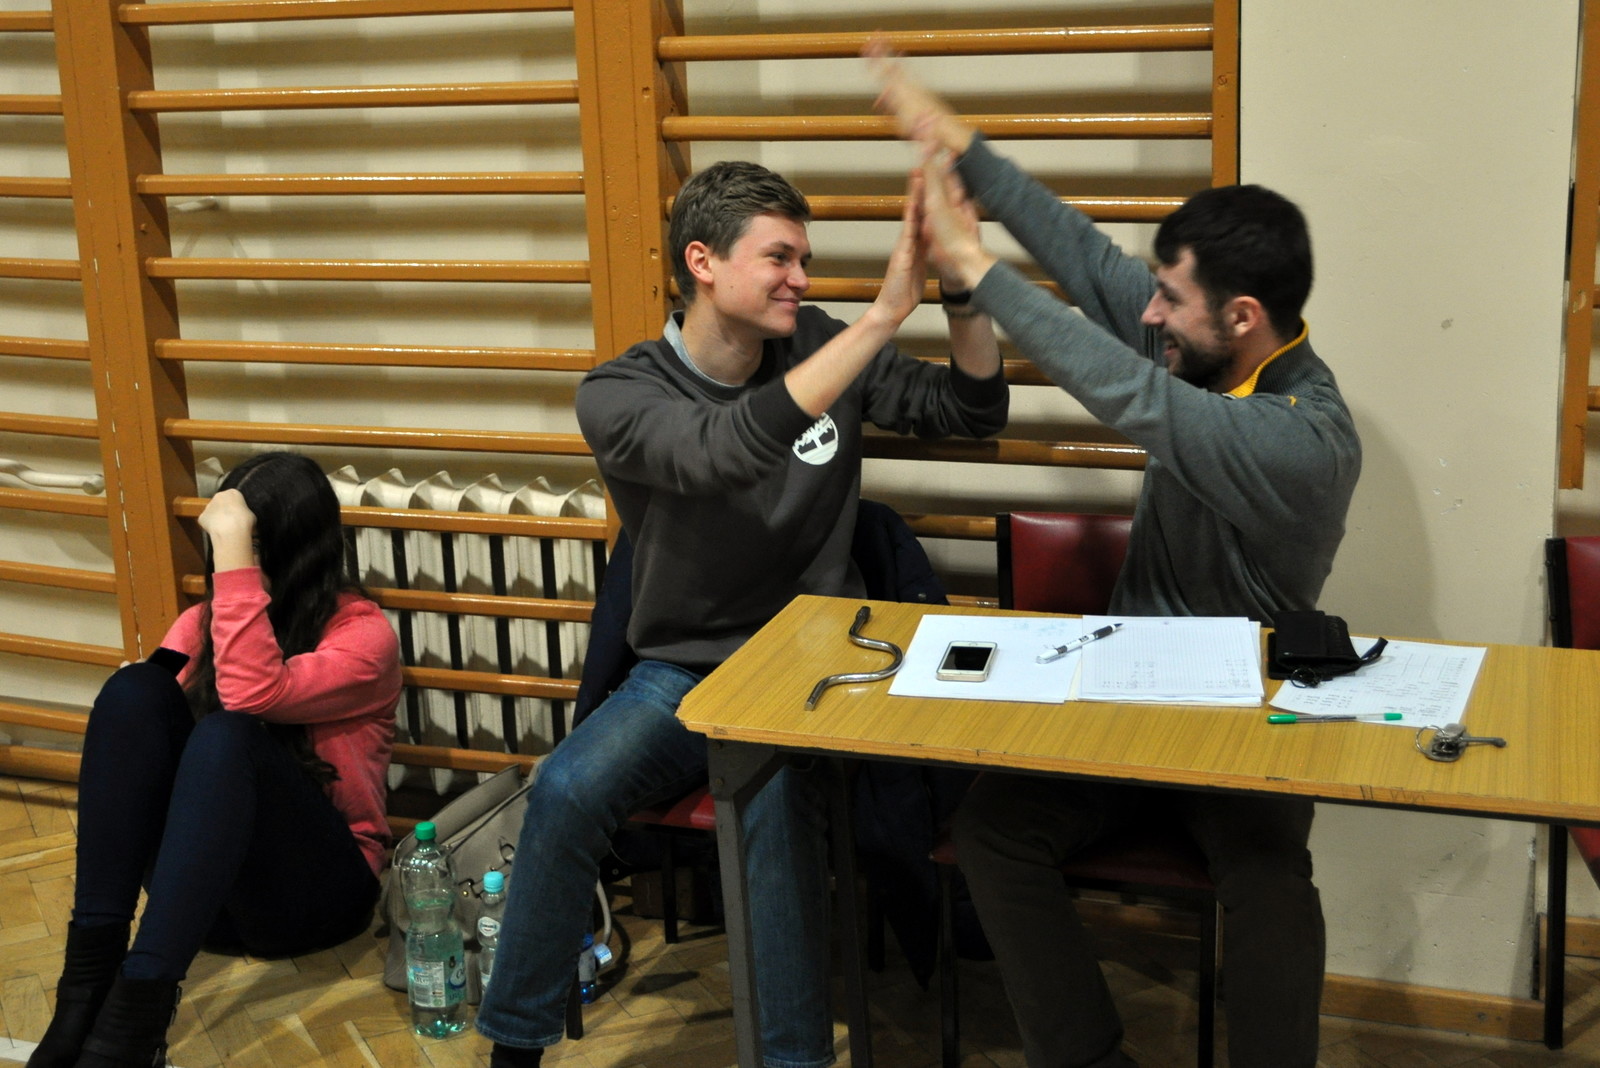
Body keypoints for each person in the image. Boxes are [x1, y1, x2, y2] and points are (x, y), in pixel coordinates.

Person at [869, 48, 1361, 1068]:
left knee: (1274, 887)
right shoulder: (1201, 348)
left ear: (1242, 316)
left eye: (1169, 298)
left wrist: (975, 272)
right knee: (995, 832)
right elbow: (1091, 262)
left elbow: (1134, 398)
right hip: (1129, 698)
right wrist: (962, 145)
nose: (1147, 313)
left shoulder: (1302, 439)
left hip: (1242, 718)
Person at [473, 159, 1008, 1068]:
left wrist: (959, 290)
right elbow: (719, 453)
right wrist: (883, 316)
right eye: (780, 258)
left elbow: (972, 407)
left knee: (770, 803)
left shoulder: (819, 343)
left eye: (804, 260)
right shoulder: (620, 393)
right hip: (684, 669)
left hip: (811, 666)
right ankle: (515, 1048)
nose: (800, 279)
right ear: (704, 262)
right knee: (562, 790)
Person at [29, 451, 401, 1068]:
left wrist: (233, 560)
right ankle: (85, 987)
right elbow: (145, 706)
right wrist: (142, 693)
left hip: (315, 899)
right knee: (134, 691)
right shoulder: (198, 624)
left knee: (229, 734)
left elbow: (253, 693)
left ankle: (135, 1018)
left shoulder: (363, 638)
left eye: (247, 543)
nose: (229, 559)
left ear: (292, 546)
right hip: (209, 907)